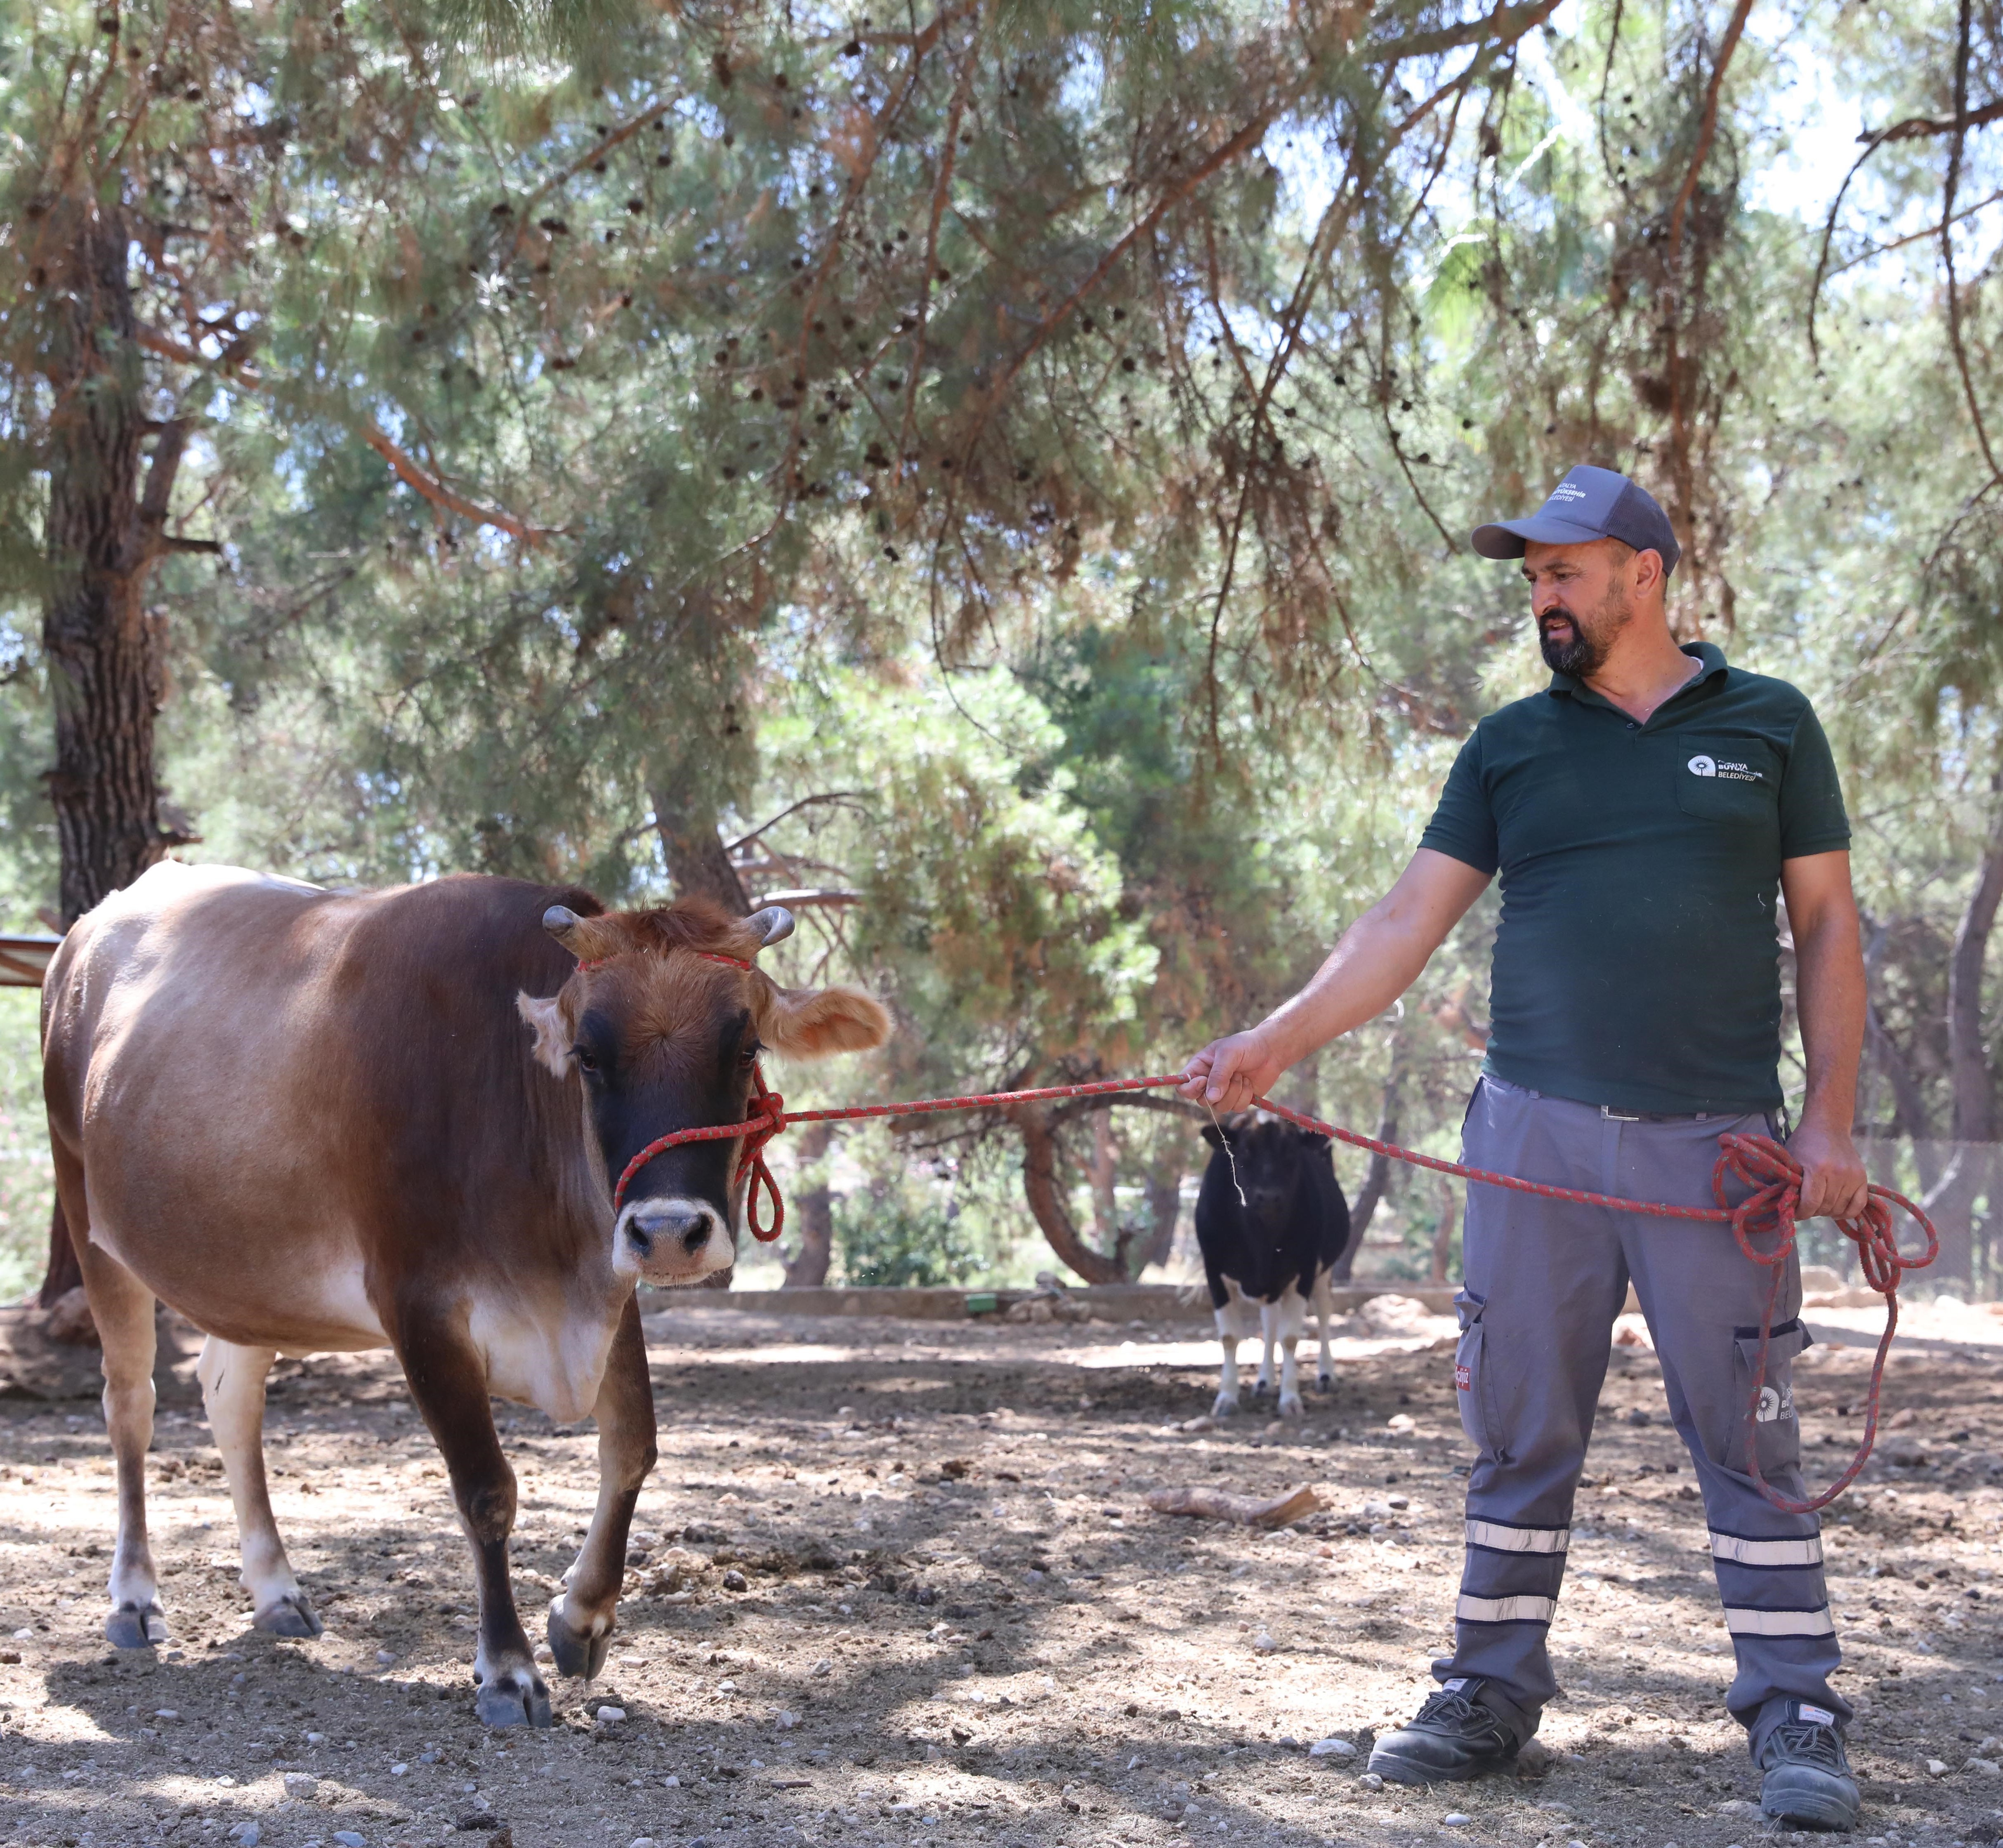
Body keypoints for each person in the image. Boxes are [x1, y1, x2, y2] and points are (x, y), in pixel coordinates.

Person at [1180, 465, 1869, 1830]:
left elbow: (1832, 928)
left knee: (1748, 1428)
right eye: (1533, 576)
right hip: (1532, 1142)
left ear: (1645, 574)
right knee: (1517, 1426)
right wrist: (1273, 1043)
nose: (1542, 597)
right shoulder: (1510, 745)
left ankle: (1795, 1707)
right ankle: (1490, 1688)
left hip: (1719, 1150)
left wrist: (1834, 1120)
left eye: (1565, 571)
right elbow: (1399, 926)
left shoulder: (1772, 727)